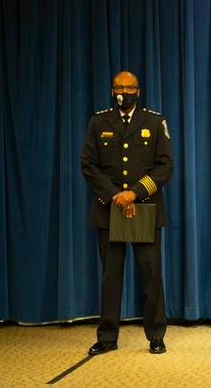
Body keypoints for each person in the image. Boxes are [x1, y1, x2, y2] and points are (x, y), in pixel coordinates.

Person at [80, 71, 173, 355]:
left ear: (139, 91)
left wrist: (135, 192)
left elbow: (165, 166)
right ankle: (107, 337)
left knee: (151, 275)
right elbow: (88, 165)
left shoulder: (155, 122)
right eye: (119, 87)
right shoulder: (98, 122)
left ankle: (156, 335)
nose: (125, 91)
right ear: (112, 91)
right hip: (109, 209)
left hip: (144, 208)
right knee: (111, 276)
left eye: (130, 87)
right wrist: (114, 195)